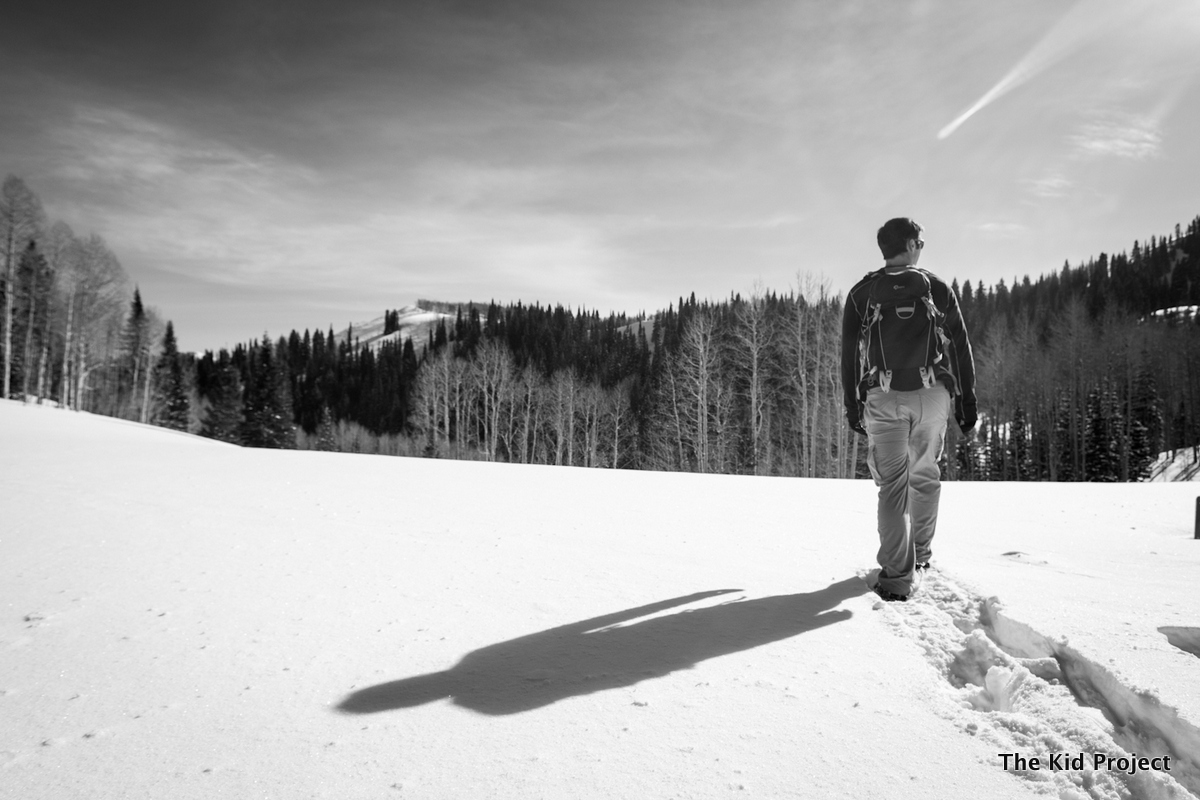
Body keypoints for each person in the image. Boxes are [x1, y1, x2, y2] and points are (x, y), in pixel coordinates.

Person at [840, 218, 976, 602]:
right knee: (925, 476)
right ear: (913, 245)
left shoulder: (862, 293)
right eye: (921, 242)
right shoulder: (936, 287)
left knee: (892, 487)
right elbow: (961, 347)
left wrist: (853, 406)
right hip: (932, 394)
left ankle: (897, 578)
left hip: (884, 396)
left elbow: (849, 355)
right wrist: (967, 404)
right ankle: (921, 556)